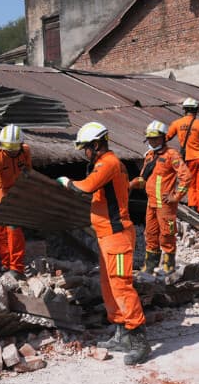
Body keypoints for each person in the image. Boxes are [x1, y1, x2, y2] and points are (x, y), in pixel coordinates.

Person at [57, 122, 150, 365]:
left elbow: (85, 187)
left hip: (117, 236)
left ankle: (139, 340)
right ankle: (121, 334)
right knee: (109, 285)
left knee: (121, 286)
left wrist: (66, 182)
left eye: (86, 148)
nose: (84, 153)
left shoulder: (108, 163)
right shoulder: (107, 164)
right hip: (107, 235)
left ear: (96, 145)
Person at [130, 120, 192, 275]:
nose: (152, 141)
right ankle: (150, 266)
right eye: (150, 139)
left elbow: (186, 176)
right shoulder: (150, 156)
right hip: (151, 203)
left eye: (155, 138)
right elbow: (143, 179)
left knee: (167, 234)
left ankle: (168, 265)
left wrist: (176, 196)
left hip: (165, 205)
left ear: (163, 138)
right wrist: (130, 184)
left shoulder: (172, 155)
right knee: (150, 234)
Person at [0, 124, 32, 278]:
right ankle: (6, 263)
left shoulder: (25, 151)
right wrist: (5, 206)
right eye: (9, 149)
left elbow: (28, 172)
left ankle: (17, 268)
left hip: (17, 192)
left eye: (14, 149)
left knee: (14, 229)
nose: (12, 152)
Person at [166, 98, 199, 213]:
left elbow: (167, 137)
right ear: (196, 110)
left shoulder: (177, 123)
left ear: (184, 110)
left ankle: (192, 206)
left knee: (191, 183)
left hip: (189, 159)